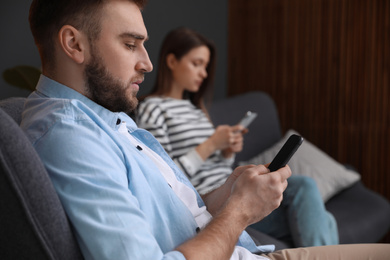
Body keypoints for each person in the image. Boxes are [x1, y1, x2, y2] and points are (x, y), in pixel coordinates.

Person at [21, 0, 390, 259]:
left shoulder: (110, 119)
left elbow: (180, 210)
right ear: (74, 43)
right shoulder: (70, 138)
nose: (146, 64)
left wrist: (231, 191)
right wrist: (241, 211)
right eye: (130, 44)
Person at [136, 27, 336, 247]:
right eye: (197, 64)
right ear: (172, 61)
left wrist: (226, 152)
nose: (204, 73)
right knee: (304, 189)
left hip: (232, 187)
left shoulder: (195, 110)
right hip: (215, 202)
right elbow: (162, 178)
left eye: (206, 66)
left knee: (322, 216)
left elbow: (215, 166)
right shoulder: (152, 108)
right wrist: (211, 144)